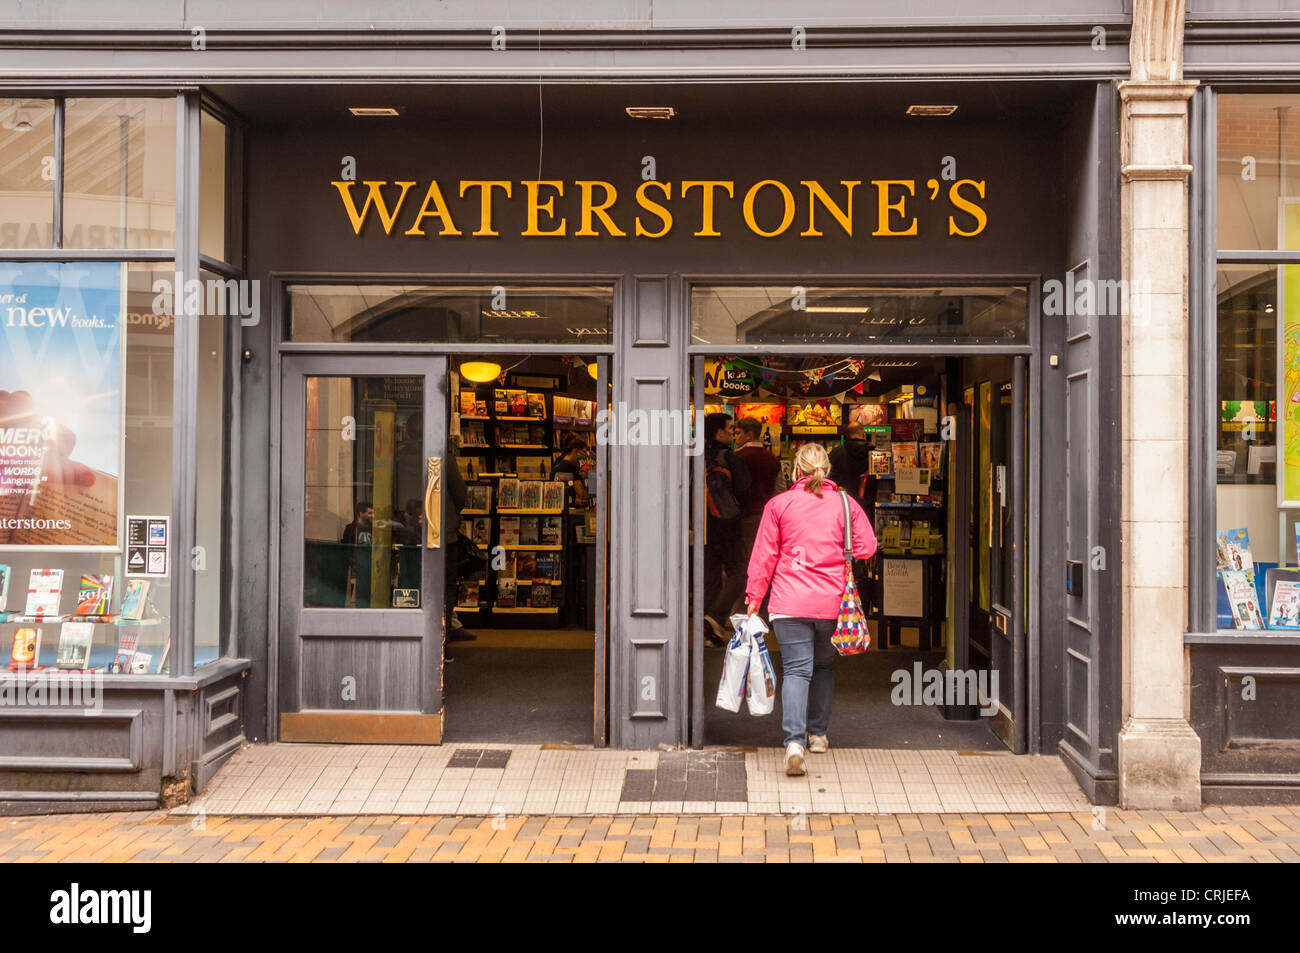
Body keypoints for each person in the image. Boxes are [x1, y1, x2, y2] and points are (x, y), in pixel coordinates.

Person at [745, 442, 877, 776]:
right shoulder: (845, 504)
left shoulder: (779, 504)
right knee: (822, 668)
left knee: (796, 670)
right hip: (831, 602)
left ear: (795, 471)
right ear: (826, 469)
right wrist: (839, 551)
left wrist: (754, 598)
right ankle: (818, 735)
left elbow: (764, 556)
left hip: (789, 602)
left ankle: (793, 742)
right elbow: (867, 546)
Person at [702, 413, 751, 646]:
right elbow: (744, 489)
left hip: (704, 529)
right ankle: (715, 617)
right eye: (728, 429)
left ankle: (710, 632)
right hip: (729, 527)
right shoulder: (730, 458)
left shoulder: (695, 456)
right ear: (718, 432)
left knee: (710, 580)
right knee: (739, 575)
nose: (731, 433)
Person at [732, 417, 781, 610]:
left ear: (749, 434)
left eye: (738, 433)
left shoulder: (737, 457)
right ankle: (768, 606)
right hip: (767, 516)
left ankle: (747, 607)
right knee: (767, 562)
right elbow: (779, 490)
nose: (735, 437)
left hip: (745, 517)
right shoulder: (772, 459)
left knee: (745, 564)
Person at [828, 424, 871, 505]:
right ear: (864, 434)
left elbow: (829, 476)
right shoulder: (873, 453)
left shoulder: (836, 452)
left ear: (847, 435)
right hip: (866, 503)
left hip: (842, 501)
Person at [553, 433, 590, 506]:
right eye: (583, 452)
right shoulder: (571, 467)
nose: (585, 456)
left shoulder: (558, 461)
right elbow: (583, 496)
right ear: (575, 451)